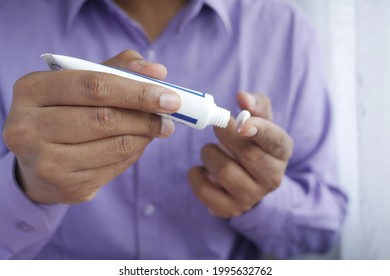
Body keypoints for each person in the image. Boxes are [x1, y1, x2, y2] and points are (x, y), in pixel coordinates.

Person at [0, 0, 347, 260]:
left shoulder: (284, 32)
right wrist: (28, 188)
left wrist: (260, 198)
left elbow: (322, 227)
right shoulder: (10, 22)